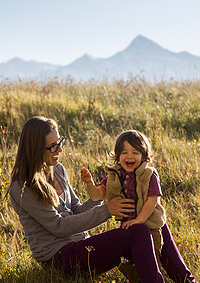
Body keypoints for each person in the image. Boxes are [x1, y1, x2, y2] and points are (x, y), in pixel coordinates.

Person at [9, 116, 167, 283]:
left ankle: (184, 278)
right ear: (35, 149)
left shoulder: (58, 170)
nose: (60, 150)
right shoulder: (23, 187)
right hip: (58, 258)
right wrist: (107, 210)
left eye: (60, 142)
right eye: (53, 146)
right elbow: (59, 227)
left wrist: (98, 196)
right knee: (139, 231)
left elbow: (76, 210)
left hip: (81, 246)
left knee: (154, 222)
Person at [81, 130, 196, 283]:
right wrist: (89, 183)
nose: (129, 156)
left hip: (152, 225)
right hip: (132, 231)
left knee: (159, 259)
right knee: (136, 265)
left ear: (144, 155)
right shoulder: (114, 176)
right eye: (124, 152)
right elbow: (96, 196)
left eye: (135, 152)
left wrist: (139, 220)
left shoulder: (149, 174)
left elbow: (152, 200)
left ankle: (184, 280)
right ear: (117, 156)